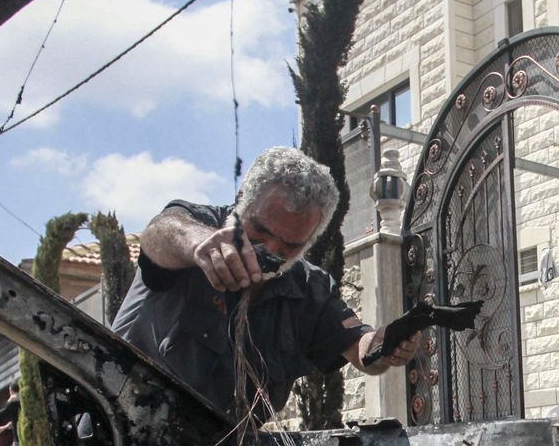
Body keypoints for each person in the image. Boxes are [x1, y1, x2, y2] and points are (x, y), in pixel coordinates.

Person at [112, 146, 419, 416]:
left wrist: (384, 347)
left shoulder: (310, 291)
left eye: (290, 245)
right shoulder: (191, 226)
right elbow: (159, 235)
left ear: (310, 240)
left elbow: (360, 348)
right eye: (260, 231)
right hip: (115, 434)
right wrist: (199, 245)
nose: (271, 251)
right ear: (241, 199)